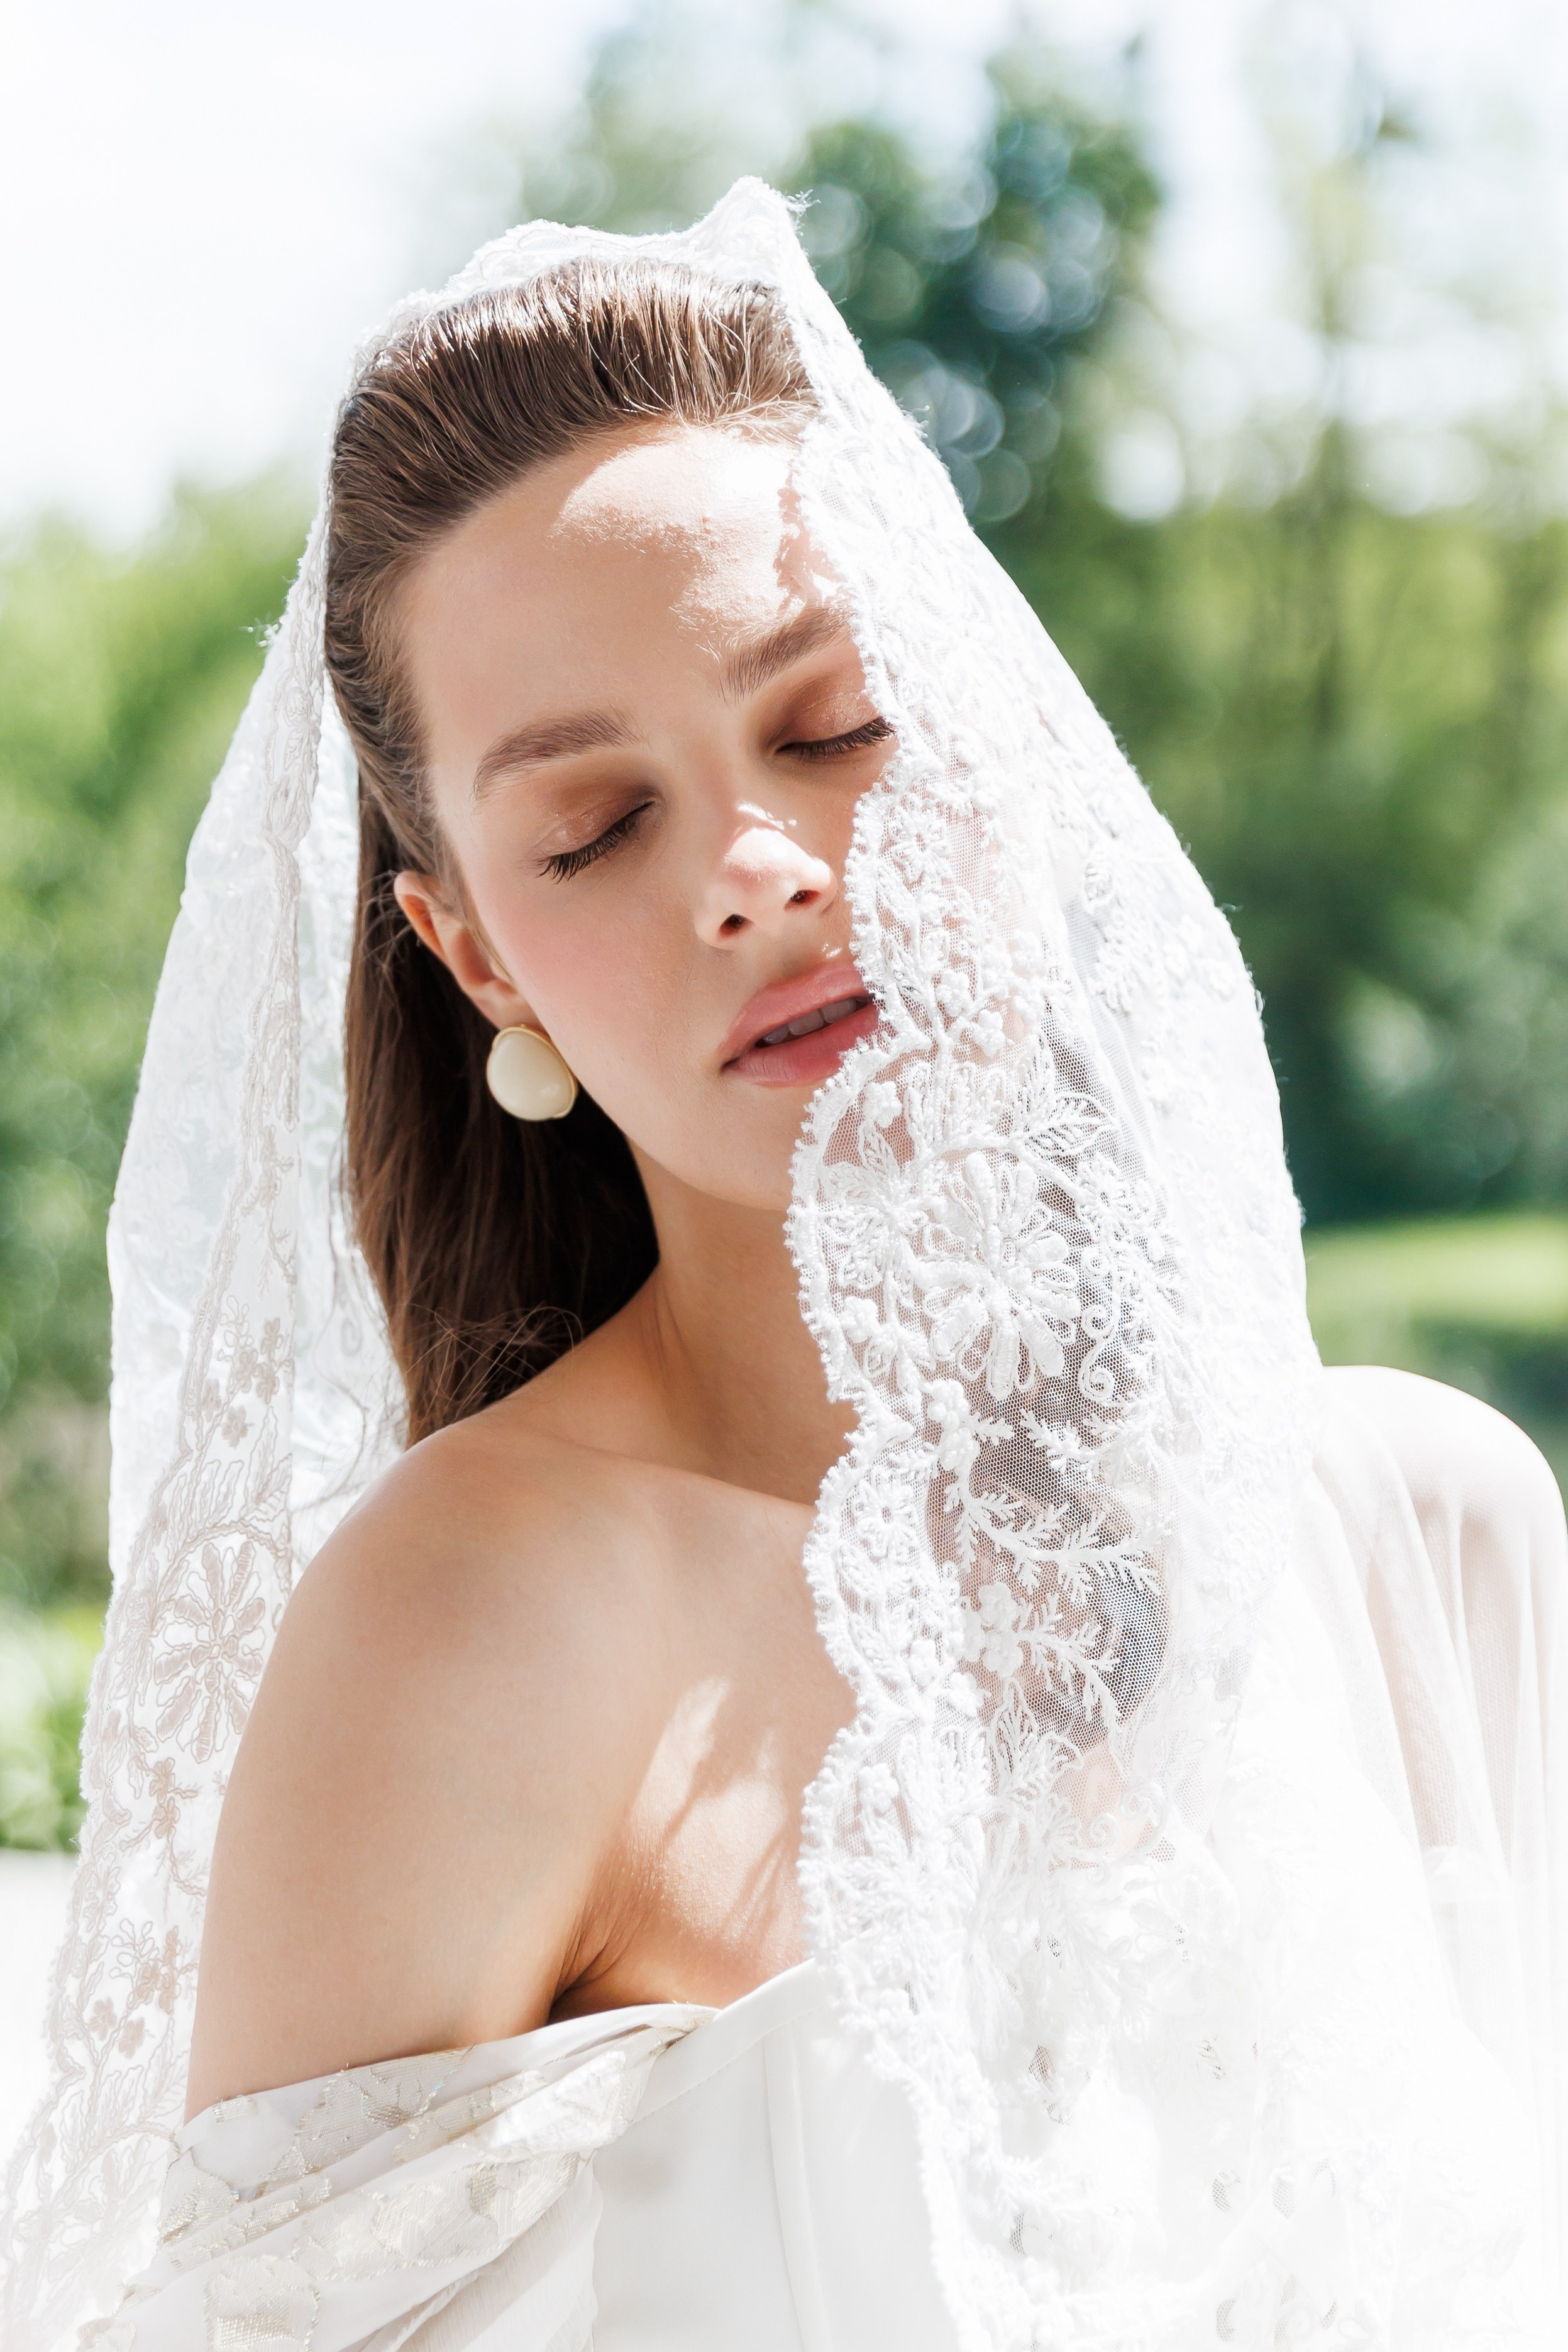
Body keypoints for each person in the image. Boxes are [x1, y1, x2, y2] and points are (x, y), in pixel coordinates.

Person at [2, 183, 1562, 2352]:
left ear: (1004, 730)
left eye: (832, 725)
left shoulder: (1430, 1534)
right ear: (474, 954)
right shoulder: (483, 1622)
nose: (753, 869)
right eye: (595, 828)